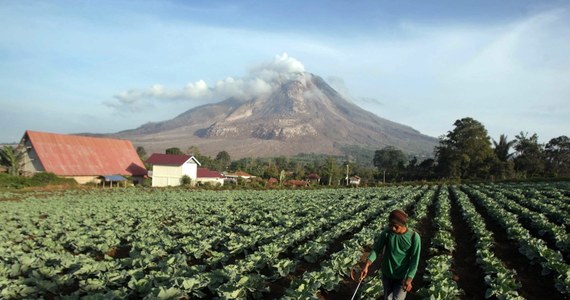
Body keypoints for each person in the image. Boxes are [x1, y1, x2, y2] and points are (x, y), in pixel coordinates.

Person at [359, 209, 420, 300]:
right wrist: (366, 265)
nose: (393, 228)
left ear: (403, 225)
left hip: (402, 276)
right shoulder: (387, 233)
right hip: (386, 274)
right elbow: (376, 250)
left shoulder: (414, 237)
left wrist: (409, 279)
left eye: (396, 226)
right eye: (390, 225)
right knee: (387, 298)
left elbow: (415, 260)